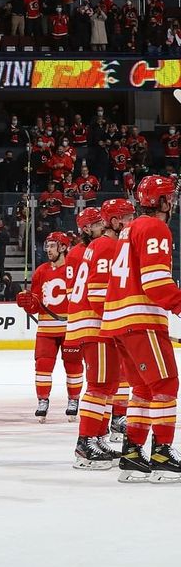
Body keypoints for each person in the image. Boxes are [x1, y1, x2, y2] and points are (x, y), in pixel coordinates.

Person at [101, 176, 181, 482]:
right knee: (165, 385)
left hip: (120, 321)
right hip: (141, 319)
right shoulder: (155, 227)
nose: (172, 202)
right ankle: (162, 453)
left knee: (144, 390)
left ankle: (132, 454)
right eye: (169, 197)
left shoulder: (128, 229)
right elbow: (157, 283)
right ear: (159, 201)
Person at [65, 205, 120, 469]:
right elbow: (98, 291)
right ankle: (85, 443)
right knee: (100, 384)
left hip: (89, 322)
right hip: (94, 323)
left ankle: (96, 437)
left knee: (107, 384)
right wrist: (113, 321)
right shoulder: (104, 245)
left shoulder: (91, 248)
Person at [17, 231, 83, 422]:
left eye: (53, 245)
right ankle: (43, 400)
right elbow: (36, 304)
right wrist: (28, 303)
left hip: (70, 327)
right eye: (47, 245)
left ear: (63, 247)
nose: (48, 249)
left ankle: (74, 400)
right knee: (43, 366)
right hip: (46, 328)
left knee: (73, 366)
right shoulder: (41, 271)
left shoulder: (75, 269)